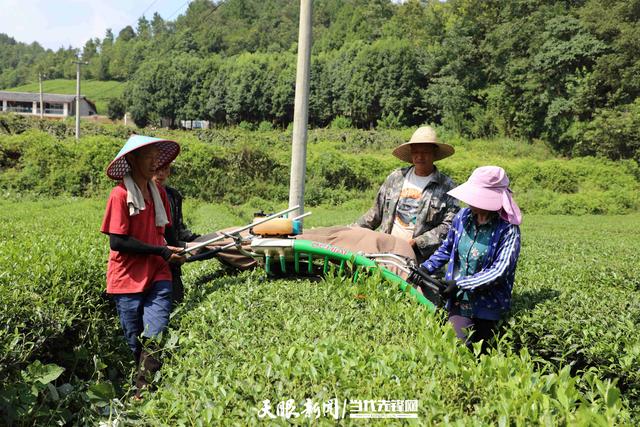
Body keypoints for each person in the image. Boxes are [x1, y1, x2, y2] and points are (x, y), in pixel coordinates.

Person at [101, 135, 185, 398]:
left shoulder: (159, 193)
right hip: (127, 277)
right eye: (148, 157)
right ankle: (146, 379)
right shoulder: (120, 194)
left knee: (155, 332)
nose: (154, 163)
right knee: (134, 338)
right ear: (132, 160)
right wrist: (159, 250)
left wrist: (178, 253)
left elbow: (168, 233)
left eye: (155, 157)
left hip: (158, 273)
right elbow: (118, 241)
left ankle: (142, 392)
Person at [419, 166, 522, 350]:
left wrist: (460, 283)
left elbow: (500, 270)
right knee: (455, 346)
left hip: (489, 305)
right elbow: (447, 248)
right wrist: (426, 268)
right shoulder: (463, 217)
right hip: (459, 299)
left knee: (481, 353)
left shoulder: (507, 229)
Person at [356, 126, 458, 262]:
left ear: (434, 153)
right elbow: (375, 213)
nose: (420, 156)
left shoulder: (447, 186)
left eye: (425, 152)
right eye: (416, 151)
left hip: (421, 261)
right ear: (411, 153)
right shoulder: (396, 178)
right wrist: (350, 230)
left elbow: (450, 226)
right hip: (386, 255)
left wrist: (418, 242)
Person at [153, 164, 200, 305]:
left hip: (172, 249)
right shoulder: (143, 195)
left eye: (165, 169)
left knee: (176, 299)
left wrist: (194, 240)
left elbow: (177, 228)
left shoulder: (173, 195)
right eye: (157, 169)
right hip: (156, 252)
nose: (161, 173)